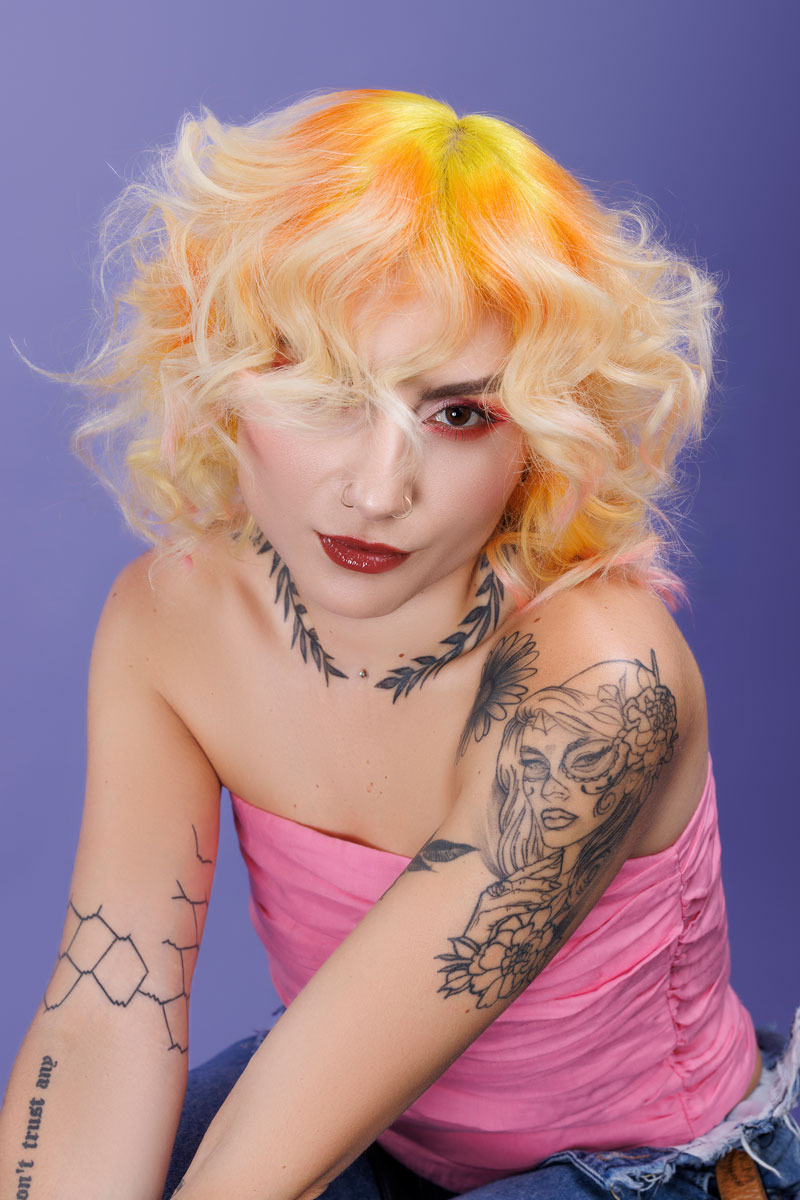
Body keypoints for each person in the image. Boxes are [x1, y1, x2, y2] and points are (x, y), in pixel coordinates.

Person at [0, 87, 797, 1200]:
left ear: (542, 434)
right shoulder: (172, 620)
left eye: (459, 414)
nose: (378, 490)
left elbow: (267, 1162)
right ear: (220, 368)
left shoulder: (601, 680)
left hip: (651, 1173)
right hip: (380, 1135)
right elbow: (105, 1007)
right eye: (328, 391)